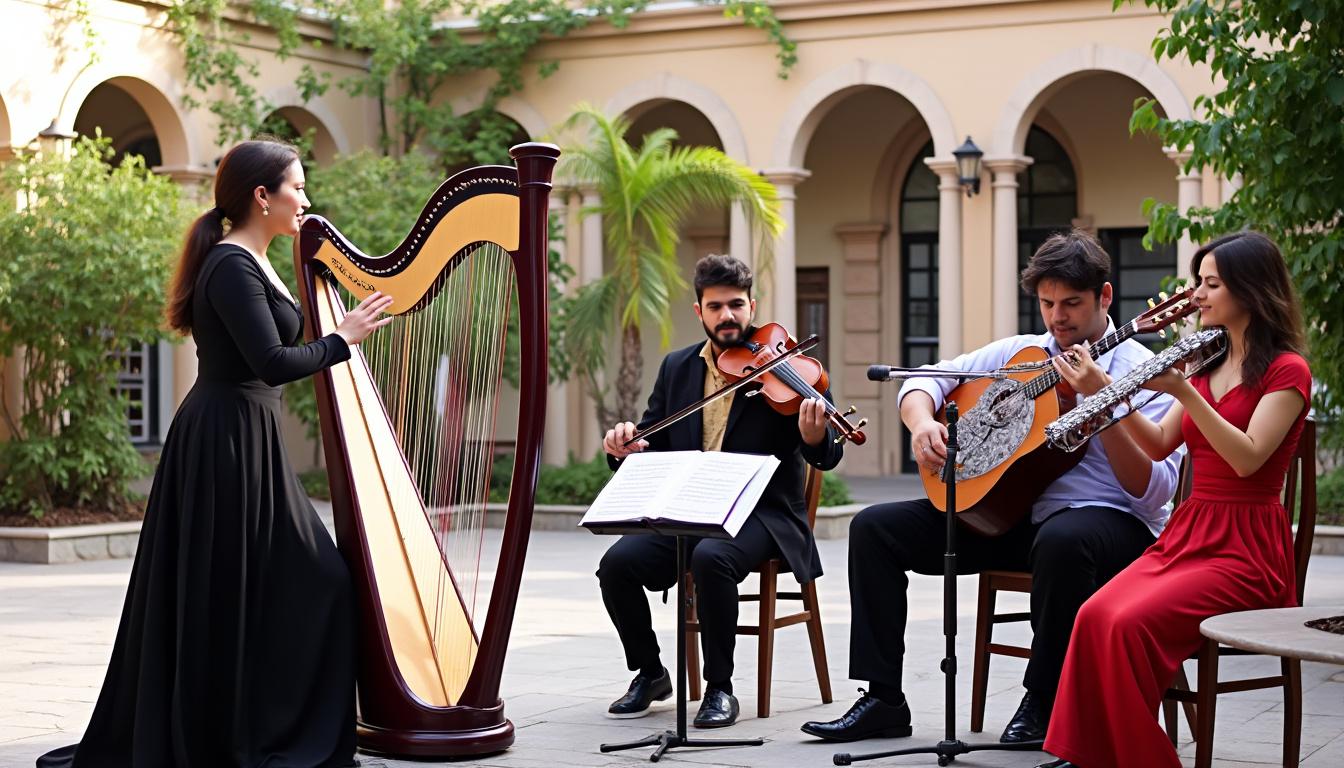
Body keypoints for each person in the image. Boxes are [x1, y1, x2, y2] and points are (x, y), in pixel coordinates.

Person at [38, 139, 393, 768]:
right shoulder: (231, 266)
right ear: (263, 196)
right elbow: (271, 362)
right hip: (223, 442)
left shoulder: (257, 260)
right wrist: (343, 339)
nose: (305, 199)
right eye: (297, 187)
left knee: (297, 583)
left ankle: (264, 724)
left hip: (252, 438)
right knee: (277, 585)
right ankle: (236, 733)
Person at [801, 229, 1184, 744]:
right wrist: (922, 424)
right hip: (1011, 516)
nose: (1057, 317)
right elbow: (924, 379)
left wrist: (1105, 403)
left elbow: (1154, 493)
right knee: (874, 528)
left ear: (1105, 296)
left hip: (1110, 526)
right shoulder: (1021, 354)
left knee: (1063, 539)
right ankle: (883, 699)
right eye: (1047, 303)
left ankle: (1045, 700)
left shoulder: (1146, 371)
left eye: (1071, 303)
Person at [1037, 231, 1311, 768]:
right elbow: (1160, 442)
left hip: (1246, 551)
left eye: (1211, 284)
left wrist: (1182, 389)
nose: (1198, 295)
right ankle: (1093, 755)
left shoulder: (1287, 370)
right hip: (1191, 535)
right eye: (1198, 282)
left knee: (1127, 623)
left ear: (1251, 289)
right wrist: (1103, 393)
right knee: (1094, 614)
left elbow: (1248, 458)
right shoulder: (1208, 364)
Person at [597, 253, 844, 728]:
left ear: (753, 306)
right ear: (700, 311)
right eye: (715, 307)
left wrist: (815, 436)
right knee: (617, 565)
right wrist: (625, 446)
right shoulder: (677, 367)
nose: (727, 315)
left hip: (764, 514)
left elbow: (828, 454)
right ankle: (650, 673)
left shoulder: (788, 367)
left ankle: (719, 689)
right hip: (691, 509)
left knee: (712, 557)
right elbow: (651, 437)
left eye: (736, 305)